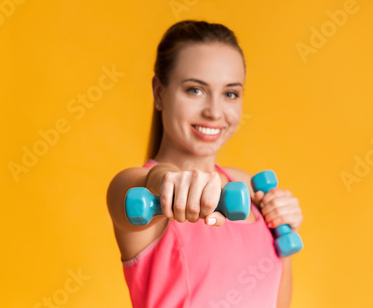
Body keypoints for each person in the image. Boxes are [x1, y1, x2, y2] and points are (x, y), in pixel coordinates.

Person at [106, 20, 303, 308]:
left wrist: (283, 228)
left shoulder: (247, 186)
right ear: (159, 92)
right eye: (195, 90)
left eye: (230, 93)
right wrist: (168, 181)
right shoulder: (136, 187)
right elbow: (141, 188)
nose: (214, 112)